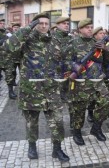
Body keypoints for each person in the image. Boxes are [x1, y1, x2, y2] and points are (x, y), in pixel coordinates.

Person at [6, 12, 69, 162]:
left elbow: (62, 61)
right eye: (41, 23)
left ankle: (57, 148)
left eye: (47, 23)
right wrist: (27, 28)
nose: (44, 26)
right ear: (34, 25)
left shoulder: (55, 41)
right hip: (31, 91)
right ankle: (32, 145)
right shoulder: (25, 40)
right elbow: (9, 47)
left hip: (51, 90)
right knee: (31, 122)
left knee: (57, 121)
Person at [65, 19, 109, 145]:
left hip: (97, 80)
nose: (90, 29)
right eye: (87, 27)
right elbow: (65, 61)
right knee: (79, 108)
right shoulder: (73, 43)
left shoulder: (97, 43)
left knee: (106, 101)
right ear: (80, 29)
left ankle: (96, 128)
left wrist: (106, 50)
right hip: (81, 81)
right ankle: (77, 132)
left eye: (91, 27)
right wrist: (75, 67)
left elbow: (107, 62)